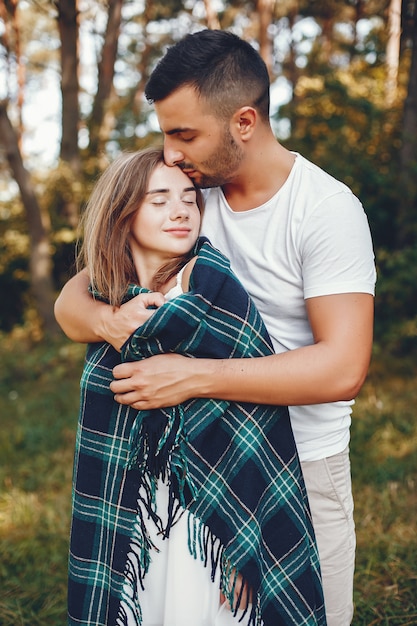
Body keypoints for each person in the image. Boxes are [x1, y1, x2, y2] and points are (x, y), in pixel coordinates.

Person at [55, 30, 376, 626]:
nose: (173, 154)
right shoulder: (190, 201)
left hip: (299, 463)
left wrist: (191, 378)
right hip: (195, 456)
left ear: (244, 122)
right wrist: (109, 320)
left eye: (185, 135)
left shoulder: (325, 210)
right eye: (166, 136)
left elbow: (343, 367)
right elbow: (76, 294)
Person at [64, 147, 326, 626]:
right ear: (123, 213)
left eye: (189, 198)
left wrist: (248, 546)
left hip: (206, 519)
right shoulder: (108, 298)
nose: (181, 209)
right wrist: (105, 319)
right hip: (132, 510)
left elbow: (256, 428)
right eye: (159, 199)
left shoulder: (211, 288)